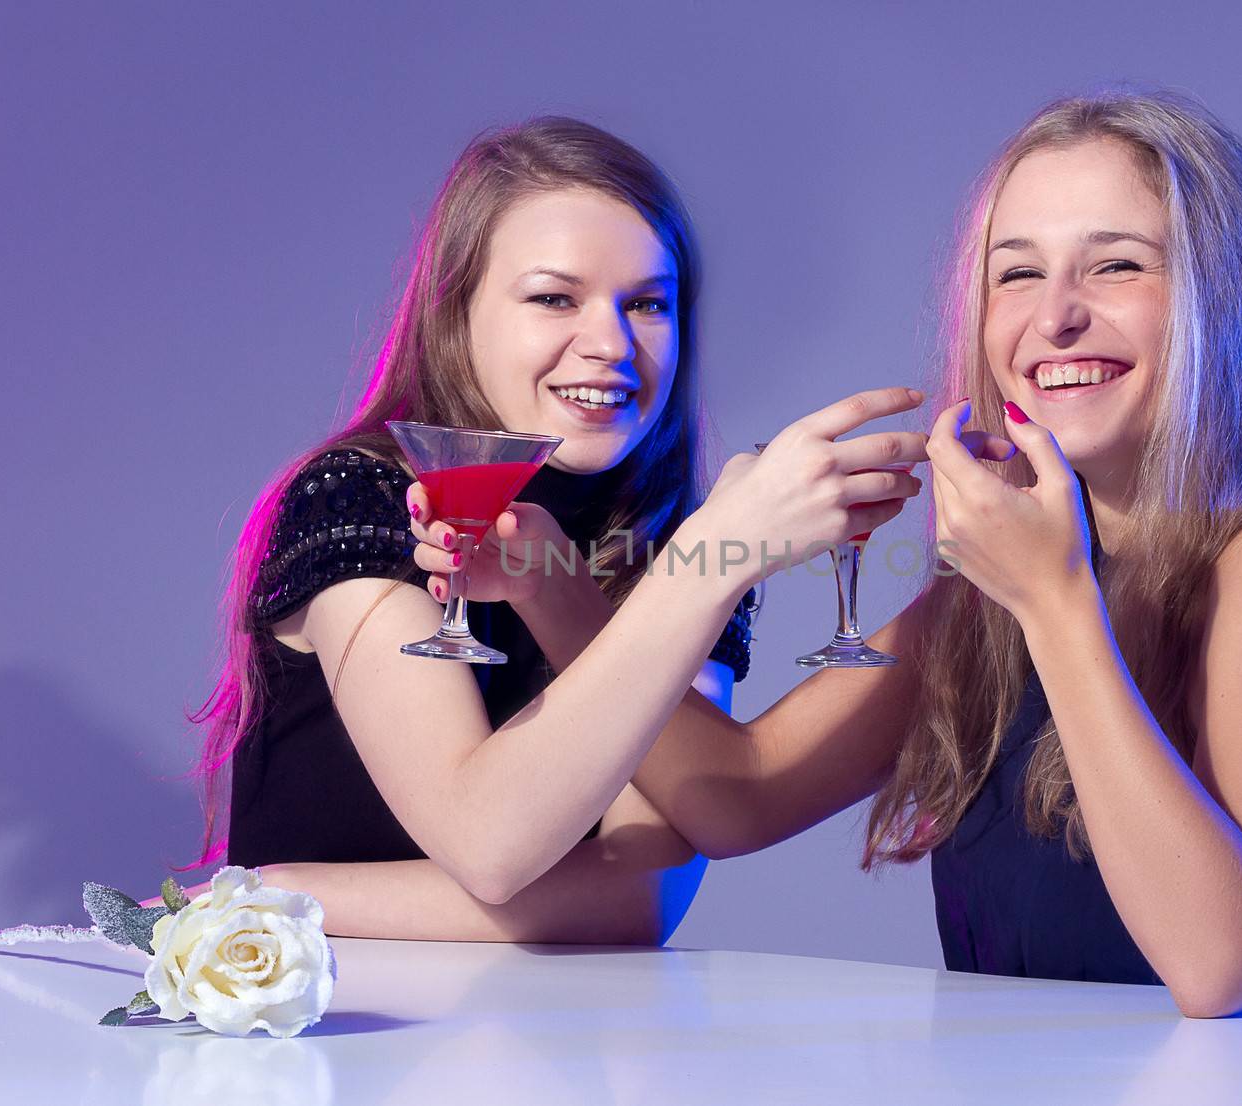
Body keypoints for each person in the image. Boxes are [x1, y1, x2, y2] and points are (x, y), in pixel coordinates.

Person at [413, 91, 1242, 1015]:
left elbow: (1217, 965)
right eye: (1017, 272)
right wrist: (545, 582)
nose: (1054, 314)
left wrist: (1053, 601)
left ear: (1225, 300)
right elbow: (737, 794)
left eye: (1116, 264)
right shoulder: (1003, 584)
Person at [188, 116, 927, 945]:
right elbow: (489, 842)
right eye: (553, 298)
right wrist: (711, 564)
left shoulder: (678, 538)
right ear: (455, 313)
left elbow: (640, 895)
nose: (611, 344)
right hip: (311, 1041)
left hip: (546, 1053)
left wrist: (291, 895)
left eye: (648, 304)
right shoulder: (366, 497)